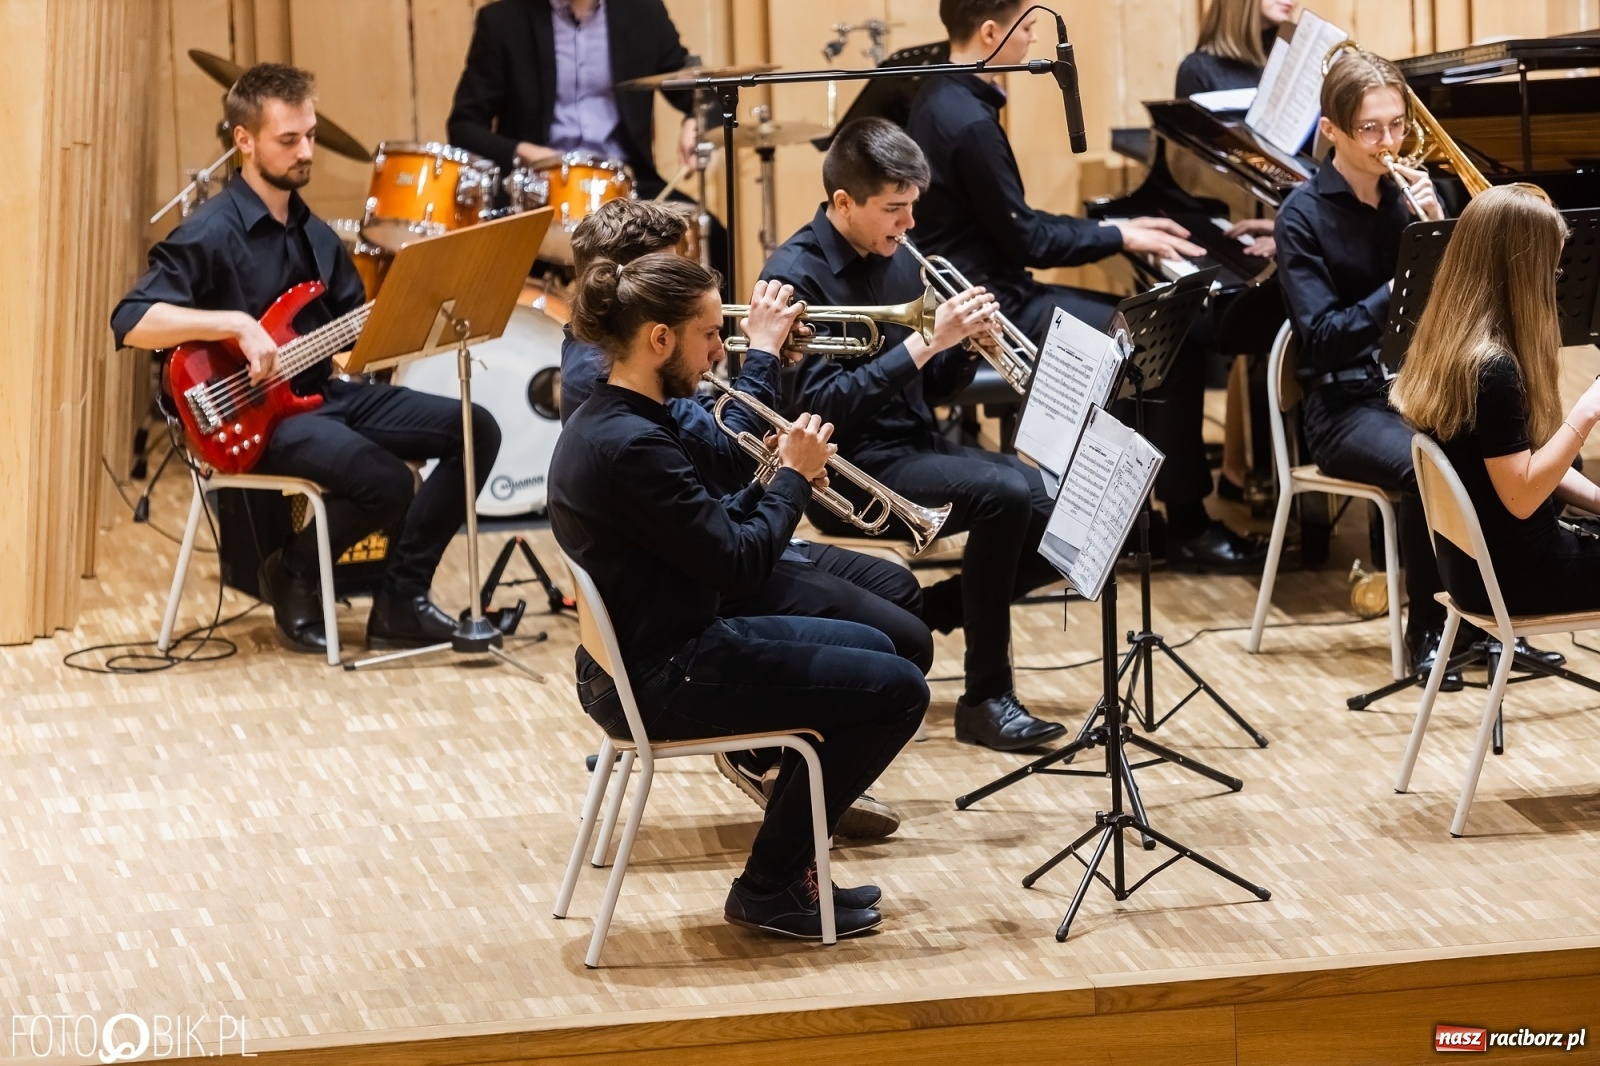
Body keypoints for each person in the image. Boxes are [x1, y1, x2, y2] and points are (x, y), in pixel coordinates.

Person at [549, 252, 928, 939]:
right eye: (706, 333)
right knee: (898, 690)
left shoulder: (622, 418)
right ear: (658, 340)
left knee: (881, 647)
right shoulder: (633, 444)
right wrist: (790, 477)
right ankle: (772, 882)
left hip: (652, 652)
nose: (721, 349)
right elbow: (740, 565)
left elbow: (705, 527)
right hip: (665, 674)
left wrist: (769, 482)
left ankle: (791, 866)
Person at [111, 64, 500, 655]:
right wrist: (236, 325)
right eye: (288, 140)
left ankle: (402, 598)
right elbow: (131, 320)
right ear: (243, 140)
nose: (306, 151)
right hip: (252, 416)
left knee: (475, 430)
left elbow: (353, 337)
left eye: (310, 135)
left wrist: (413, 322)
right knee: (385, 481)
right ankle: (291, 573)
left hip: (323, 395)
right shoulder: (210, 232)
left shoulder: (315, 236)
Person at [907, 0, 1264, 573]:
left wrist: (1116, 230)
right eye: (1026, 29)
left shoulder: (937, 95)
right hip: (991, 308)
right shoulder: (970, 122)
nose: (1031, 42)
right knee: (1174, 337)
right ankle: (1183, 525)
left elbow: (1017, 226)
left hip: (982, 289)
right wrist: (1120, 234)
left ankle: (1130, 513)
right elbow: (1030, 240)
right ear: (992, 32)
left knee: (1161, 331)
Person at [762, 117, 1074, 753]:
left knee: (1069, 520)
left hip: (916, 445)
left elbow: (926, 392)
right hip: (850, 469)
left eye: (912, 209)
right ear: (843, 203)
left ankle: (933, 614)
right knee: (1006, 496)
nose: (907, 227)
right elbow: (815, 409)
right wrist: (928, 343)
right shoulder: (797, 274)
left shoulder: (901, 259)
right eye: (894, 210)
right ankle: (986, 697)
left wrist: (963, 350)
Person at [1275, 49, 1562, 680]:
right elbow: (1320, 338)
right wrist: (1414, 268)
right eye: (1370, 129)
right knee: (1426, 464)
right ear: (1331, 132)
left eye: (1398, 125)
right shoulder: (1302, 216)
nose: (1389, 143)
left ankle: (1504, 619)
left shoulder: (1423, 200)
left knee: (1509, 443)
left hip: (1419, 388)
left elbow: (1473, 312)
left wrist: (1441, 232)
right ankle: (1429, 632)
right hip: (1345, 404)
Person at [1392, 184, 1600, 615]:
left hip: (1472, 570)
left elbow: (1519, 464)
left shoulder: (1452, 345)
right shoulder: (1495, 371)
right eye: (1552, 272)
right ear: (1522, 275)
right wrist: (1588, 410)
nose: (1554, 284)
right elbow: (1522, 496)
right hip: (1517, 578)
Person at [445, 0, 725, 270]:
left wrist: (694, 122)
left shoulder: (642, 11)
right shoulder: (504, 20)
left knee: (712, 237)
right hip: (538, 190)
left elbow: (702, 93)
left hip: (626, 186)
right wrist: (529, 153)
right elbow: (464, 126)